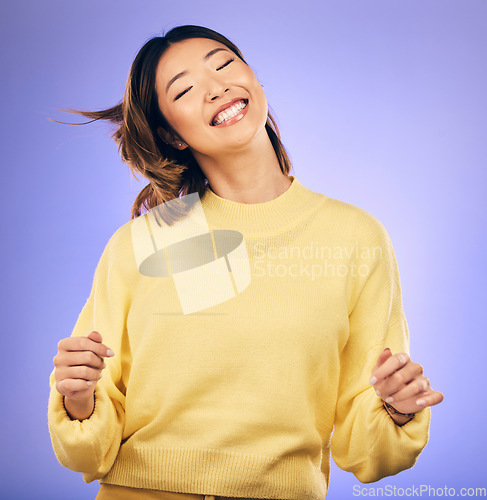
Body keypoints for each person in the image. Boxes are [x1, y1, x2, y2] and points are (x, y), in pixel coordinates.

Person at [48, 25, 444, 500]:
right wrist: (77, 396)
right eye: (186, 89)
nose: (216, 88)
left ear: (254, 79)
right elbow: (89, 451)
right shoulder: (145, 242)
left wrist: (397, 409)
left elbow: (365, 448)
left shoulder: (356, 237)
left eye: (224, 64)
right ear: (171, 134)